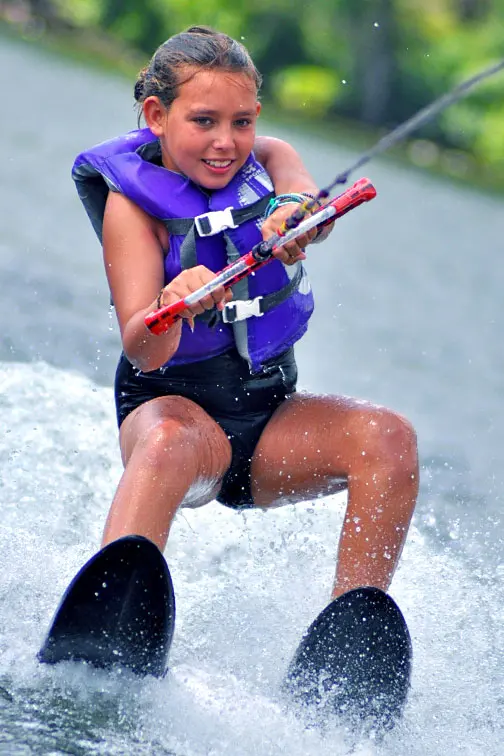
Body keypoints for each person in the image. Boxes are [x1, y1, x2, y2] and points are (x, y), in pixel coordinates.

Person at [72, 25, 418, 602]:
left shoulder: (267, 158)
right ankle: (108, 608)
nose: (226, 143)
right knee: (167, 445)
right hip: (174, 414)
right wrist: (172, 304)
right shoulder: (131, 208)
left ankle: (350, 642)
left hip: (267, 418)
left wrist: (295, 212)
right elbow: (141, 348)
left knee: (389, 439)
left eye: (242, 122)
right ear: (157, 115)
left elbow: (294, 182)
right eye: (204, 121)